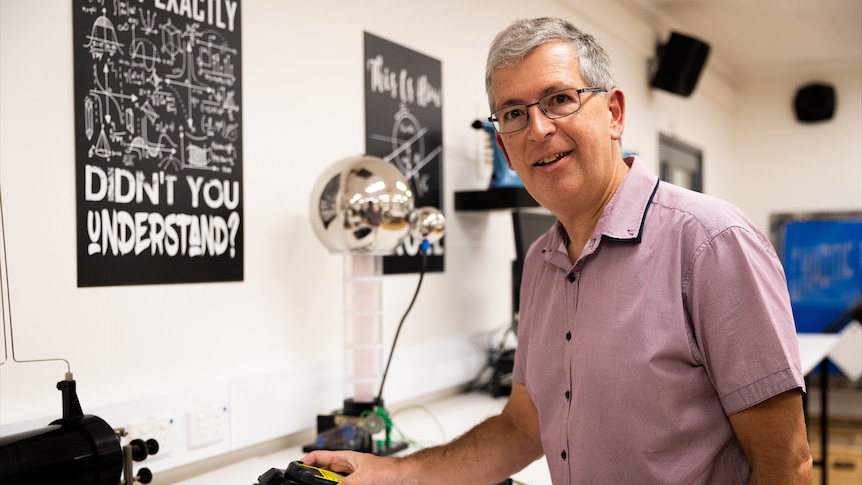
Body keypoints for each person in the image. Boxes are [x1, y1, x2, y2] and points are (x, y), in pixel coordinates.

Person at [303, 17, 812, 484]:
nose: (539, 129)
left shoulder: (711, 243)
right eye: (514, 114)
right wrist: (395, 473)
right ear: (504, 147)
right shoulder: (541, 265)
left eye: (559, 100)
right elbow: (524, 426)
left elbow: (785, 465)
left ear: (613, 113)